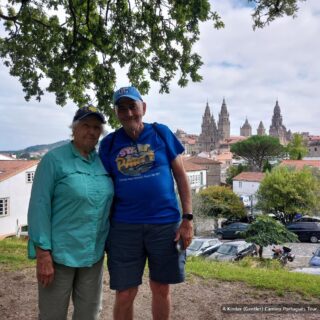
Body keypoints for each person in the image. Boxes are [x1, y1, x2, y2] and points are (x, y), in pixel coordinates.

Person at [99, 86, 193, 320]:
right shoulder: (109, 144)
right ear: (116, 113)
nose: (129, 113)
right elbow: (102, 186)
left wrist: (187, 219)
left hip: (165, 225)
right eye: (122, 108)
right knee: (125, 293)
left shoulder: (161, 133)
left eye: (133, 106)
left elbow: (181, 176)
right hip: (123, 227)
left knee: (161, 288)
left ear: (144, 107)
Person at [27, 106, 114, 320]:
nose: (91, 131)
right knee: (52, 315)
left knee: (90, 314)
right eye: (85, 125)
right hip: (59, 256)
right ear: (74, 129)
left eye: (96, 127)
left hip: (92, 256)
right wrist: (43, 254)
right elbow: (39, 207)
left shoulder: (103, 162)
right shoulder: (53, 160)